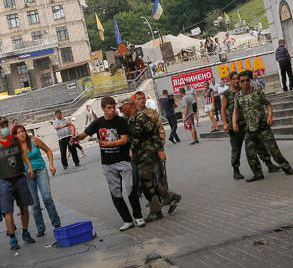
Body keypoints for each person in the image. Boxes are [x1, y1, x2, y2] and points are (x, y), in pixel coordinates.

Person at [73, 96, 145, 230]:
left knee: (131, 189)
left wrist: (108, 143)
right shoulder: (98, 122)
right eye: (109, 108)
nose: (112, 110)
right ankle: (127, 220)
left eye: (113, 107)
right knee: (116, 192)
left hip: (123, 161)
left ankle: (138, 216)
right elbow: (85, 133)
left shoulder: (121, 121)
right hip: (107, 163)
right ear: (103, 109)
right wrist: (77, 138)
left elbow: (124, 140)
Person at [233, 70, 293, 182]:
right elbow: (236, 111)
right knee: (250, 153)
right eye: (242, 81)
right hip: (250, 129)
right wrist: (234, 122)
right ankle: (258, 173)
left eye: (247, 80)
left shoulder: (257, 92)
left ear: (250, 81)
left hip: (262, 127)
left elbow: (268, 104)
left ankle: (287, 168)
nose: (245, 83)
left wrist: (270, 116)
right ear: (239, 82)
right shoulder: (238, 96)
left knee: (274, 150)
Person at [0, 117, 36, 250]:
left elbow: (23, 154)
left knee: (24, 207)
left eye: (6, 125)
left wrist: (29, 166)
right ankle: (12, 237)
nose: (5, 127)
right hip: (3, 181)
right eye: (2, 126)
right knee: (8, 211)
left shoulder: (15, 140)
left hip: (20, 177)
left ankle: (25, 232)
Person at [127, 92, 182, 215]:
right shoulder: (134, 115)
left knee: (158, 175)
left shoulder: (152, 113)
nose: (142, 101)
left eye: (143, 98)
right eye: (139, 99)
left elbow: (160, 131)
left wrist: (160, 149)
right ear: (135, 101)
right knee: (149, 179)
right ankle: (159, 200)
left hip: (154, 151)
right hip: (143, 153)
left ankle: (165, 198)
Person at [222, 72, 282, 180]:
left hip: (248, 124)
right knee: (236, 148)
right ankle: (236, 170)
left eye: (237, 79)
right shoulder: (227, 94)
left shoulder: (243, 90)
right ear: (230, 80)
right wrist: (225, 123)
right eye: (234, 79)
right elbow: (223, 109)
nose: (236, 81)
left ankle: (269, 164)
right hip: (235, 126)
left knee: (259, 144)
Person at [13, 125, 61, 237]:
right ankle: (40, 228)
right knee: (34, 203)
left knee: (47, 197)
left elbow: (48, 150)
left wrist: (51, 165)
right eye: (18, 132)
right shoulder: (15, 147)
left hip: (41, 171)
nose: (21, 134)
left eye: (23, 131)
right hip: (27, 175)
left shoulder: (34, 141)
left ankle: (56, 223)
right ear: (15, 135)